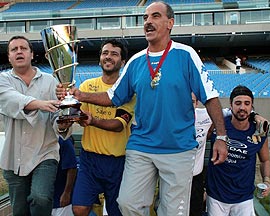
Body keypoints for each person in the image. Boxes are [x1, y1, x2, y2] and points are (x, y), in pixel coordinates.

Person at [57, 2, 227, 215]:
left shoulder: (186, 54)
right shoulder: (136, 61)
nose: (148, 22)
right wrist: (80, 95)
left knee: (173, 212)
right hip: (142, 146)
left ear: (170, 23)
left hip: (178, 148)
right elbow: (113, 97)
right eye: (145, 18)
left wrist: (221, 137)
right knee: (128, 203)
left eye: (155, 16)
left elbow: (210, 97)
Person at [0, 35, 72, 216]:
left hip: (45, 152)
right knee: (19, 211)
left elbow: (58, 115)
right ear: (8, 56)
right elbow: (11, 100)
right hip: (13, 156)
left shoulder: (51, 81)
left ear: (32, 54)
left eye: (23, 48)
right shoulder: (3, 80)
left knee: (41, 198)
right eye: (14, 49)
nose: (19, 52)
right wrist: (40, 104)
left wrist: (62, 124)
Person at [71, 39, 135, 216]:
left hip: (118, 162)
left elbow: (118, 125)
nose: (108, 57)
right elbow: (78, 114)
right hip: (90, 160)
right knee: (79, 208)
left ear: (122, 62)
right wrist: (75, 116)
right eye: (105, 53)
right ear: (100, 58)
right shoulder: (87, 86)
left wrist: (93, 121)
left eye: (114, 54)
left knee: (117, 211)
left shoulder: (128, 91)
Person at [206, 85, 270, 216]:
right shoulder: (218, 125)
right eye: (238, 103)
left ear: (252, 107)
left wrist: (267, 181)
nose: (242, 107)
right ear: (231, 105)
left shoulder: (258, 132)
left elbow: (265, 159)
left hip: (244, 198)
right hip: (216, 196)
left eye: (247, 103)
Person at [52, 136, 77, 216]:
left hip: (61, 199)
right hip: (45, 200)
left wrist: (67, 193)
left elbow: (72, 167)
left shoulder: (63, 141)